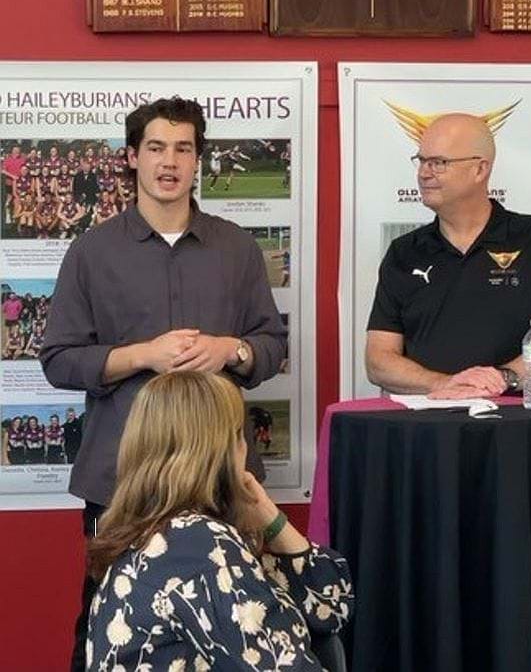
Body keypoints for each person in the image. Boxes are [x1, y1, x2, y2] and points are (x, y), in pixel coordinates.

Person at [40, 96, 288, 671]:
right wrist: (142, 356)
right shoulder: (92, 251)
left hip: (219, 474)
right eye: (155, 148)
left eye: (183, 148)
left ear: (199, 159)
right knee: (109, 621)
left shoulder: (237, 248)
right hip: (123, 476)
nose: (169, 161)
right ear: (132, 157)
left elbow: (273, 348)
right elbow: (58, 360)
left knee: (232, 623)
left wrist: (234, 349)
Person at [85, 371, 353, 668]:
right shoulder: (199, 545)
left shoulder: (159, 532)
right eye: (241, 433)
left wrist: (270, 517)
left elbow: (331, 606)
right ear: (223, 449)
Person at [366, 114, 531, 399]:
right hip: (426, 428)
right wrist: (444, 384)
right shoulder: (404, 252)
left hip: (509, 425)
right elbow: (378, 361)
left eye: (438, 162)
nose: (424, 173)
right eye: (421, 161)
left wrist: (500, 379)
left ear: (480, 169)